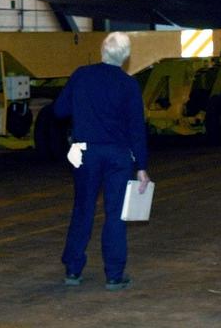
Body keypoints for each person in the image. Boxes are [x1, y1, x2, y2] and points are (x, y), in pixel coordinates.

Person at [54, 32, 151, 291]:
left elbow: (59, 110)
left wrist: (84, 110)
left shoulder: (81, 75)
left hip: (86, 153)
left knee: (83, 209)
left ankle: (73, 270)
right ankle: (114, 275)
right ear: (126, 56)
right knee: (115, 214)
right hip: (118, 156)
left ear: (102, 50)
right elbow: (136, 129)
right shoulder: (129, 84)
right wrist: (142, 166)